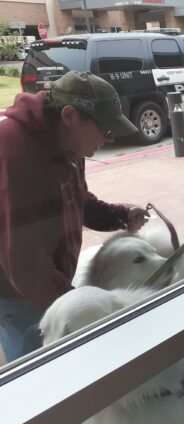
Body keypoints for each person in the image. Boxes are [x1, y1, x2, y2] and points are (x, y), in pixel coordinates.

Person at [0, 71, 149, 366]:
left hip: (47, 276)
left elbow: (76, 198)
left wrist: (119, 216)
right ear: (69, 115)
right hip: (19, 294)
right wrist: (80, 305)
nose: (110, 138)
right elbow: (25, 264)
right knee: (41, 372)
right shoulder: (14, 153)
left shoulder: (67, 142)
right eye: (104, 129)